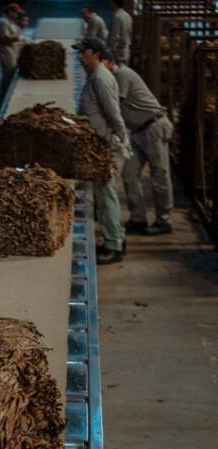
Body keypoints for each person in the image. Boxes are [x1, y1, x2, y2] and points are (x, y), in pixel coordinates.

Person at [102, 51, 174, 235]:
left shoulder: (122, 75)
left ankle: (163, 221)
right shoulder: (111, 77)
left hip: (153, 126)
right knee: (129, 173)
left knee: (159, 175)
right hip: (137, 131)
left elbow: (114, 106)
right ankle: (138, 218)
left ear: (110, 62)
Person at [74, 37, 131, 264]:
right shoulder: (95, 76)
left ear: (96, 53)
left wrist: (122, 142)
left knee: (106, 195)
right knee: (104, 195)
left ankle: (113, 245)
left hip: (104, 146)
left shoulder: (100, 78)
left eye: (83, 52)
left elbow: (113, 114)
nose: (79, 56)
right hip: (98, 145)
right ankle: (116, 238)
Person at [0, 3, 25, 110]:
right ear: (10, 12)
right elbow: (4, 39)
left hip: (12, 53)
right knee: (7, 79)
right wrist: (18, 38)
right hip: (6, 54)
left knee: (9, 78)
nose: (18, 15)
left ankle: (2, 102)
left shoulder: (9, 22)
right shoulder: (3, 22)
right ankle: (1, 105)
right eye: (16, 13)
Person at [108, 0, 133, 65]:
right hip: (127, 51)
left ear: (114, 4)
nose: (110, 5)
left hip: (118, 53)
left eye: (111, 3)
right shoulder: (128, 16)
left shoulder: (117, 16)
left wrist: (110, 52)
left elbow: (115, 37)